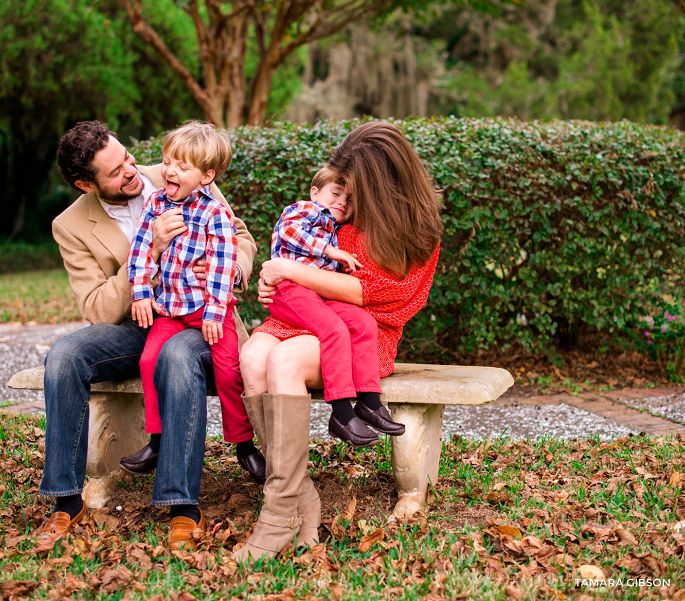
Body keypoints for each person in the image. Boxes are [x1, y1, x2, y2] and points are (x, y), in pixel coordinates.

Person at [38, 120, 259, 551]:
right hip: (134, 324)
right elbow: (98, 307)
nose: (132, 169)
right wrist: (151, 250)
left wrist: (230, 271)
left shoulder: (182, 172)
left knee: (177, 354)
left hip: (200, 319)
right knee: (63, 356)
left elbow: (241, 237)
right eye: (116, 171)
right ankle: (66, 499)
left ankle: (182, 506)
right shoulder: (70, 225)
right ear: (87, 185)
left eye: (127, 157)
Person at [233, 121, 443, 562]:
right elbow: (301, 260)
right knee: (252, 356)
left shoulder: (416, 232)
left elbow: (372, 293)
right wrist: (281, 280)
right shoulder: (338, 215)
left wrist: (287, 271)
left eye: (356, 186)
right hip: (308, 313)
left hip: (364, 331)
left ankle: (275, 517)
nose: (346, 196)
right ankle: (299, 497)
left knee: (285, 362)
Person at [124, 121, 264, 484]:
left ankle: (244, 444)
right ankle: (156, 440)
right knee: (149, 360)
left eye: (182, 167)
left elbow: (221, 264)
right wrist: (141, 292)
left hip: (210, 311)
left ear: (206, 177)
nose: (169, 171)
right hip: (171, 309)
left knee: (231, 373)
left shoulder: (213, 213)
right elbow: (140, 250)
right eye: (168, 161)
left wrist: (217, 312)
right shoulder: (155, 204)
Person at [267, 166, 406, 448]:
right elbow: (288, 233)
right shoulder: (305, 210)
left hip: (316, 295)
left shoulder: (335, 228)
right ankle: (341, 413)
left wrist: (338, 261)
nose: (342, 201)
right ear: (315, 193)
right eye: (336, 193)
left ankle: (369, 402)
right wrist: (330, 252)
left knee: (363, 323)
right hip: (290, 291)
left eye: (350, 199)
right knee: (334, 330)